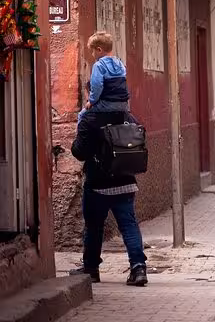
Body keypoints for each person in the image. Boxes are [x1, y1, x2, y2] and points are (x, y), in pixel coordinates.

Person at [68, 36, 147, 286]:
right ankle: (138, 269)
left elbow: (79, 152)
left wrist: (79, 131)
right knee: (129, 226)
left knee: (94, 227)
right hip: (125, 181)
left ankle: (91, 269)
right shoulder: (127, 115)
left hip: (98, 184)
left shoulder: (90, 119)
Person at [77, 31, 130, 126]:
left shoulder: (99, 65)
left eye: (92, 51)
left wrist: (91, 101)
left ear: (99, 50)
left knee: (82, 115)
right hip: (123, 105)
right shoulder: (120, 63)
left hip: (106, 104)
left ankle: (82, 141)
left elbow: (97, 86)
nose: (92, 54)